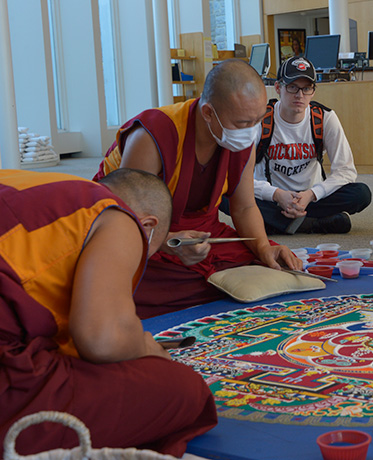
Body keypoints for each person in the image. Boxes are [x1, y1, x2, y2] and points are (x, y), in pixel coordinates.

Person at [0, 169, 217, 458]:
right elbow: (101, 340)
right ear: (147, 225)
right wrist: (145, 346)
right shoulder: (118, 216)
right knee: (185, 389)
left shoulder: (40, 187)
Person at [94, 59, 301, 318]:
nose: (251, 133)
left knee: (261, 263)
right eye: (241, 124)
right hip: (139, 232)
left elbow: (245, 205)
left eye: (258, 120)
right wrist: (170, 242)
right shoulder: (153, 135)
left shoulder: (242, 140)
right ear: (208, 113)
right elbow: (129, 224)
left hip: (201, 231)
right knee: (116, 276)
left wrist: (262, 247)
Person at [246, 56, 372, 234]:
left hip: (311, 199)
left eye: (306, 88)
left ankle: (277, 222)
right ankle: (311, 223)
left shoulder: (325, 117)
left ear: (313, 92)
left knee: (361, 194)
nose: (299, 95)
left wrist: (310, 195)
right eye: (292, 87)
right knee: (226, 192)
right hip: (272, 198)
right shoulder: (260, 119)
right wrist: (277, 194)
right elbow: (239, 174)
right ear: (278, 88)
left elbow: (346, 171)